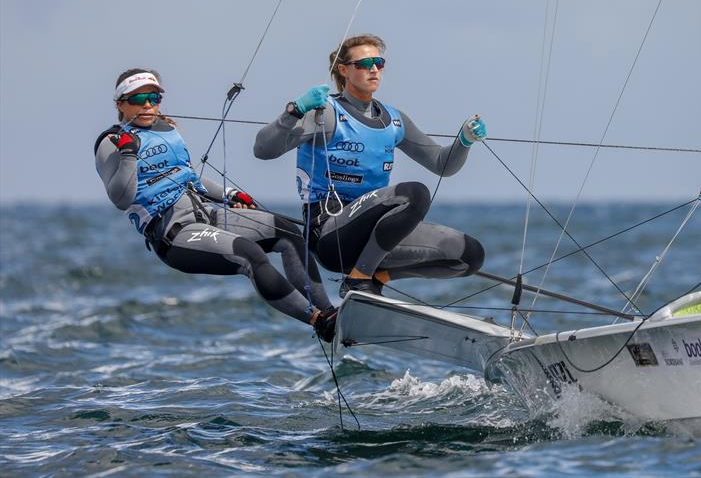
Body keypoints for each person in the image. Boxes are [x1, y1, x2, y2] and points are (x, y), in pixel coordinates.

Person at [94, 68, 338, 341]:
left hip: (205, 213)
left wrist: (231, 194)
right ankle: (317, 321)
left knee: (289, 233)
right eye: (139, 99)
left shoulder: (168, 130)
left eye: (154, 97)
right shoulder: (112, 142)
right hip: (173, 232)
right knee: (249, 254)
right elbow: (120, 198)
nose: (149, 104)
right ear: (120, 104)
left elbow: (189, 178)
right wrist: (129, 153)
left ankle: (331, 314)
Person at [254, 34, 486, 297]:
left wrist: (465, 141)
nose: (374, 69)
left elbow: (442, 165)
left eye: (379, 62)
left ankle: (373, 278)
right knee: (415, 193)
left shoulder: (395, 120)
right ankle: (358, 281)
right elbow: (263, 150)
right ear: (343, 70)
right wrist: (295, 110)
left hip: (376, 238)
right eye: (365, 63)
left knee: (469, 255)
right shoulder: (325, 113)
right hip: (331, 235)